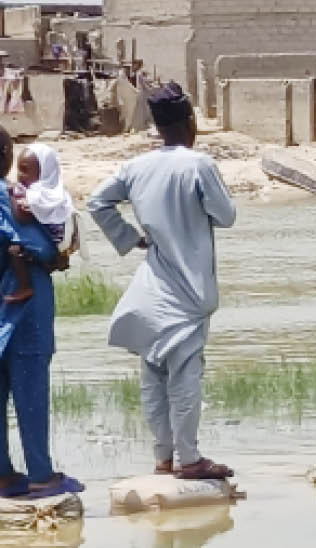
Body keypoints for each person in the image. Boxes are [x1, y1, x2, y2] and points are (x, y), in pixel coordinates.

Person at [88, 83, 237, 479]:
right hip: (189, 292)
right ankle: (189, 459)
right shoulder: (198, 165)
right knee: (186, 376)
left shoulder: (135, 168)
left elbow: (96, 202)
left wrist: (130, 237)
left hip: (152, 285)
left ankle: (163, 456)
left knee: (153, 373)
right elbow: (225, 216)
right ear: (189, 121)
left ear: (156, 125)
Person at [0, 127, 82, 498]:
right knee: (31, 388)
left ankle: (3, 473)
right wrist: (58, 255)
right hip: (22, 307)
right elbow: (33, 247)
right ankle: (41, 473)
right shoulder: (12, 199)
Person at [7, 144, 75, 303]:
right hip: (59, 245)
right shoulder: (57, 193)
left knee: (14, 250)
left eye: (24, 170)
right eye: (18, 169)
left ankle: (25, 286)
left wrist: (12, 198)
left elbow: (22, 217)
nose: (19, 175)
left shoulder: (36, 193)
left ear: (44, 172)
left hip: (46, 244)